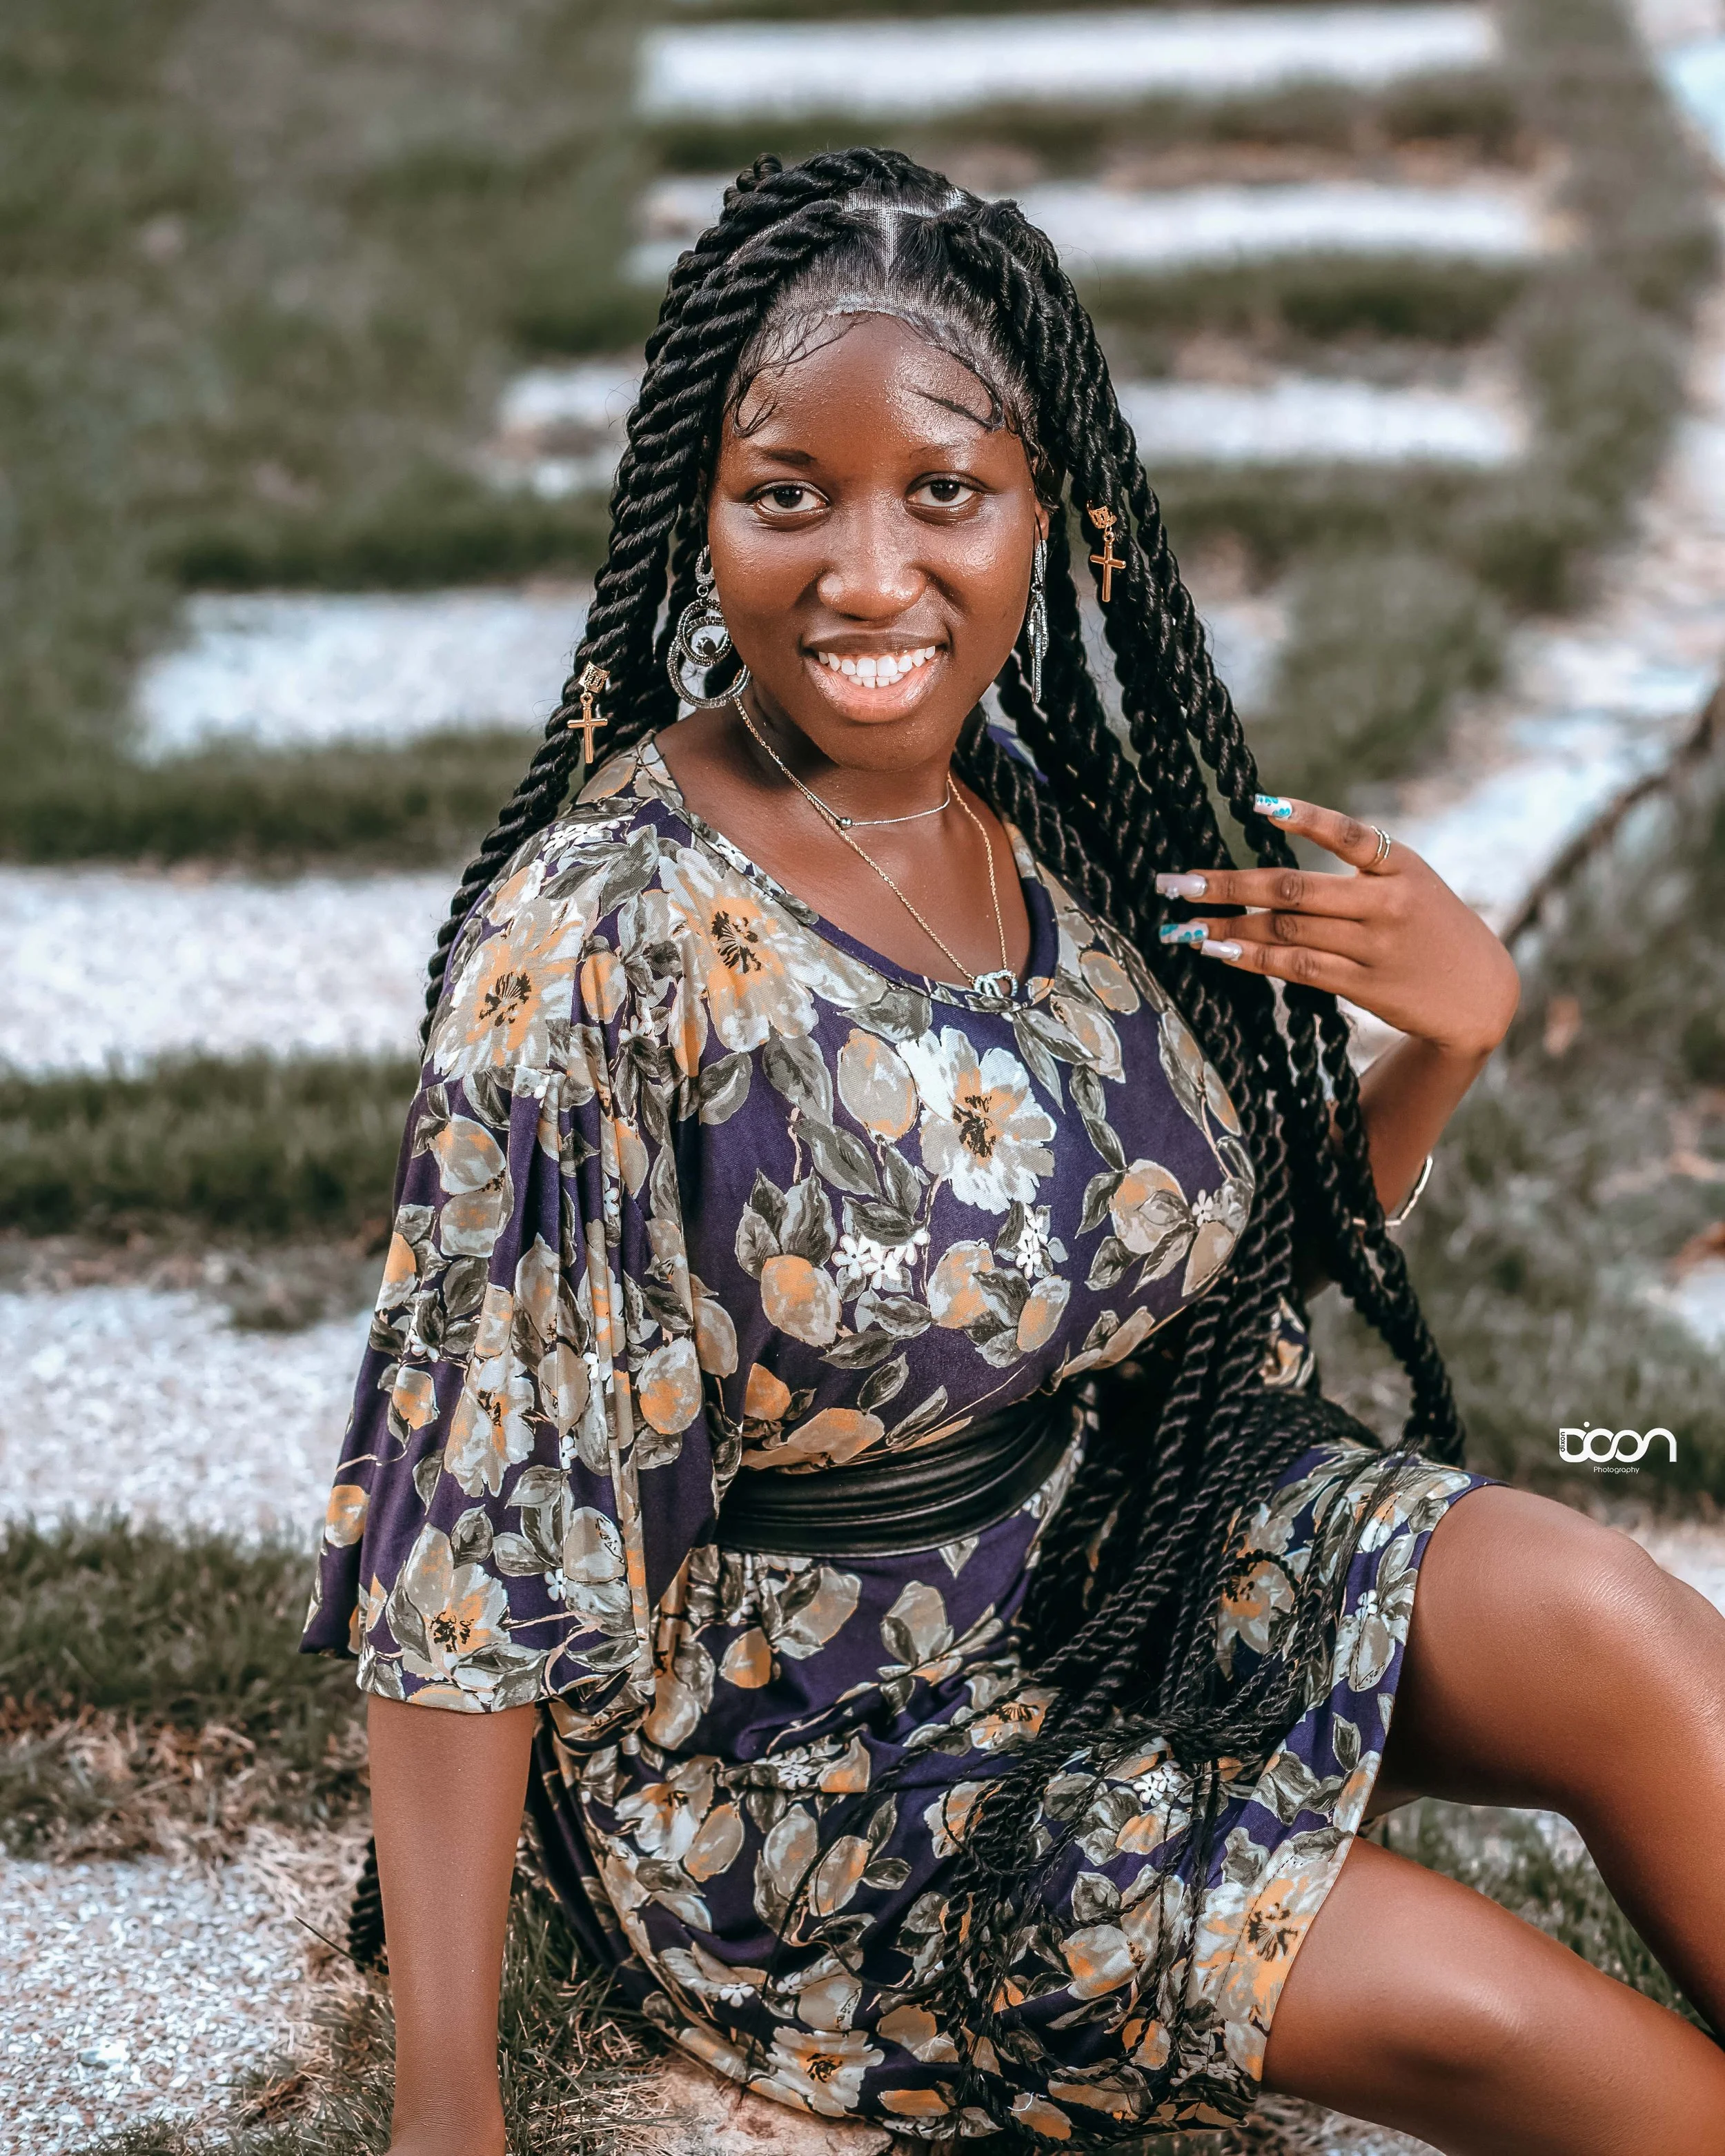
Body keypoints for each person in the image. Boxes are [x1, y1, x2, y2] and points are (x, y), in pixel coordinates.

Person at [300, 150, 1725, 2155]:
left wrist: (1449, 1035)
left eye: (943, 495)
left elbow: (1208, 1267)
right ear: (697, 519)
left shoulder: (1032, 800)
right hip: (829, 1769)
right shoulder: (603, 946)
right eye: (787, 494)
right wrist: (448, 2117)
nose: (868, 573)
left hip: (1125, 1552)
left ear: (1045, 519)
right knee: (1531, 2037)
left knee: (1618, 1627)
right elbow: (474, 1540)